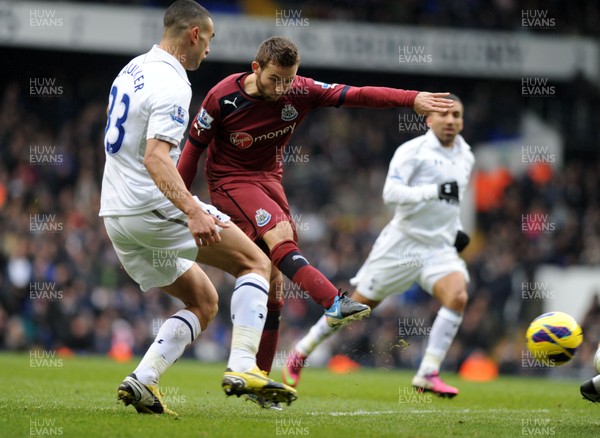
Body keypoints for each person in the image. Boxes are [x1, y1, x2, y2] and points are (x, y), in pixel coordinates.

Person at [177, 36, 456, 407]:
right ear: (256, 68)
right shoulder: (221, 98)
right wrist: (179, 203)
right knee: (279, 236)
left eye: (289, 79)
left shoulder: (301, 90)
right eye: (275, 79)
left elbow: (358, 94)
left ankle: (259, 382)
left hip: (269, 179)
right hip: (229, 181)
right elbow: (192, 151)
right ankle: (333, 301)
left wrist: (412, 99)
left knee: (275, 283)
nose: (282, 88)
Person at [99, 1, 296, 416]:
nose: (208, 49)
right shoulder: (174, 84)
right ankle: (244, 366)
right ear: (194, 34)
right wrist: (192, 209)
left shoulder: (133, 69)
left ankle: (143, 379)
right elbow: (156, 158)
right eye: (208, 39)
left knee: (204, 300)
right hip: (150, 206)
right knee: (256, 264)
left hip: (116, 214)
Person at [283, 94, 473, 398]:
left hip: (438, 246)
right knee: (358, 307)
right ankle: (302, 349)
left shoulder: (466, 155)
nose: (450, 120)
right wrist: (433, 191)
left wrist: (458, 229)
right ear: (429, 119)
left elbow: (452, 201)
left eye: (457, 115)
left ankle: (428, 371)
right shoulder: (413, 151)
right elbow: (391, 193)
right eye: (444, 114)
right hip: (402, 244)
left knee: (458, 295)